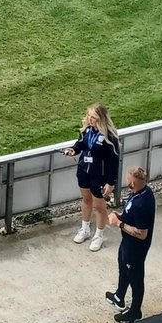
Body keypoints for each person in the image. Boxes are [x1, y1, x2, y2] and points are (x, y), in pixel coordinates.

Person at [66, 103, 120, 252]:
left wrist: (111, 182)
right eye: (89, 116)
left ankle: (99, 235)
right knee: (86, 200)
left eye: (94, 117)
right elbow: (80, 145)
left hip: (99, 176)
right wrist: (73, 150)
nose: (90, 119)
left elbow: (114, 162)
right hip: (84, 171)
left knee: (99, 207)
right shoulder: (87, 131)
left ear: (101, 118)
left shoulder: (110, 136)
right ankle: (85, 228)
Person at [106, 167, 156, 323]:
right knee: (122, 266)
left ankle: (135, 311)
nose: (126, 182)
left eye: (128, 180)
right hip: (127, 242)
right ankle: (119, 296)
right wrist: (120, 215)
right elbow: (131, 213)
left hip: (135, 248)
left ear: (133, 183)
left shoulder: (141, 204)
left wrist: (119, 223)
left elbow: (142, 233)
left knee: (135, 277)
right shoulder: (142, 192)